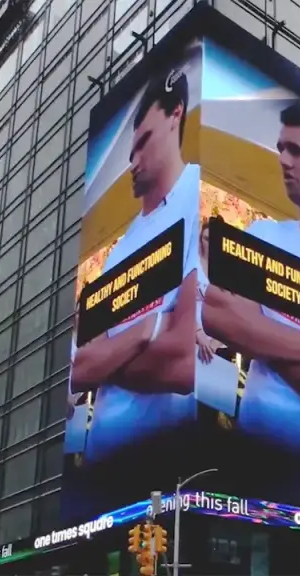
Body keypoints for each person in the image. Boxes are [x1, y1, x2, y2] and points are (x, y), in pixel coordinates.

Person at [201, 103, 300, 510]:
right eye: (280, 148)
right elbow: (219, 313)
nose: (283, 161)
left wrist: (258, 331)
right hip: (253, 459)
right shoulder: (264, 235)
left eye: (296, 150)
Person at [69, 61, 201, 464]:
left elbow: (182, 363)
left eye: (142, 142)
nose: (132, 159)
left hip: (167, 459)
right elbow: (79, 370)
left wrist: (109, 357)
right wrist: (145, 331)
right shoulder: (118, 252)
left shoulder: (197, 197)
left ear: (176, 113)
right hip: (100, 467)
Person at [195, 218, 223, 364]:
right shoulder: (192, 263)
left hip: (220, 344)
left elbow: (234, 311)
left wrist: (215, 344)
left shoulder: (228, 270)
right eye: (206, 238)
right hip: (193, 336)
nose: (209, 244)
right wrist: (199, 335)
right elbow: (182, 301)